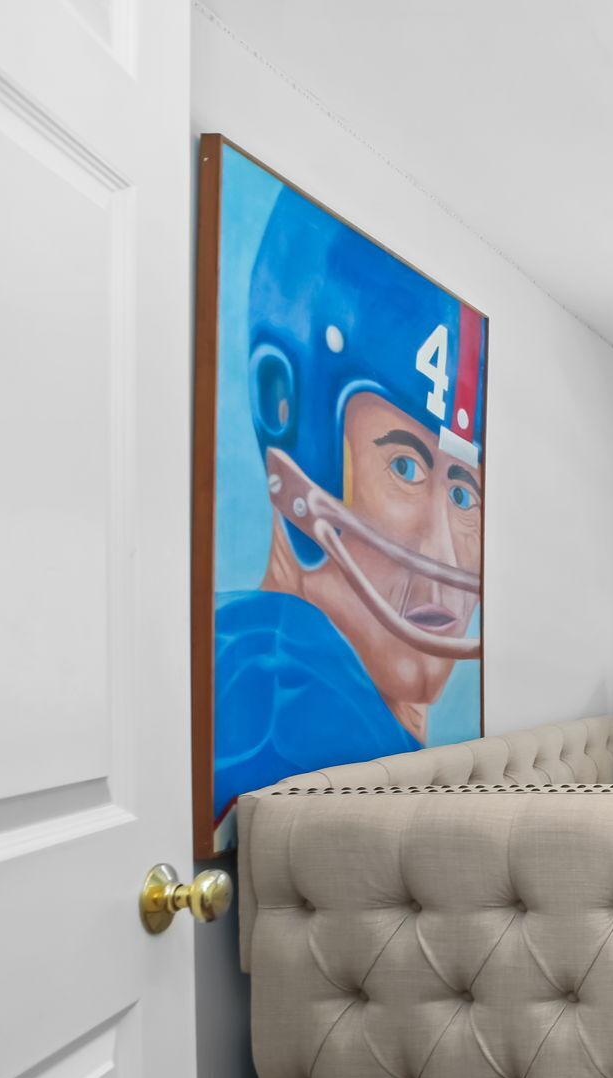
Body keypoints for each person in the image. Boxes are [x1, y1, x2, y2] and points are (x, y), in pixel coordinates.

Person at [212, 185, 487, 844]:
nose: (444, 557)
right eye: (405, 466)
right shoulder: (281, 699)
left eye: (464, 493)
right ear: (287, 413)